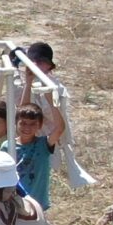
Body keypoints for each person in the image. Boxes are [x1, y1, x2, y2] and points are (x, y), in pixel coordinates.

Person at [11, 42, 98, 193]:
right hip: (26, 138)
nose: (37, 65)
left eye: (41, 62)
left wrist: (43, 94)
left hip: (47, 140)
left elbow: (49, 119)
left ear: (49, 66)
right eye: (34, 61)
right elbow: (22, 109)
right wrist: (17, 70)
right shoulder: (29, 82)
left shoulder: (54, 87)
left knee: (39, 181)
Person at [9, 94, 64, 211]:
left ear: (39, 125)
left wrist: (50, 100)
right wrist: (28, 83)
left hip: (37, 204)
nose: (27, 127)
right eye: (23, 123)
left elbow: (59, 129)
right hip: (14, 202)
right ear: (16, 123)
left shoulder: (43, 144)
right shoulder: (8, 146)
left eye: (32, 124)